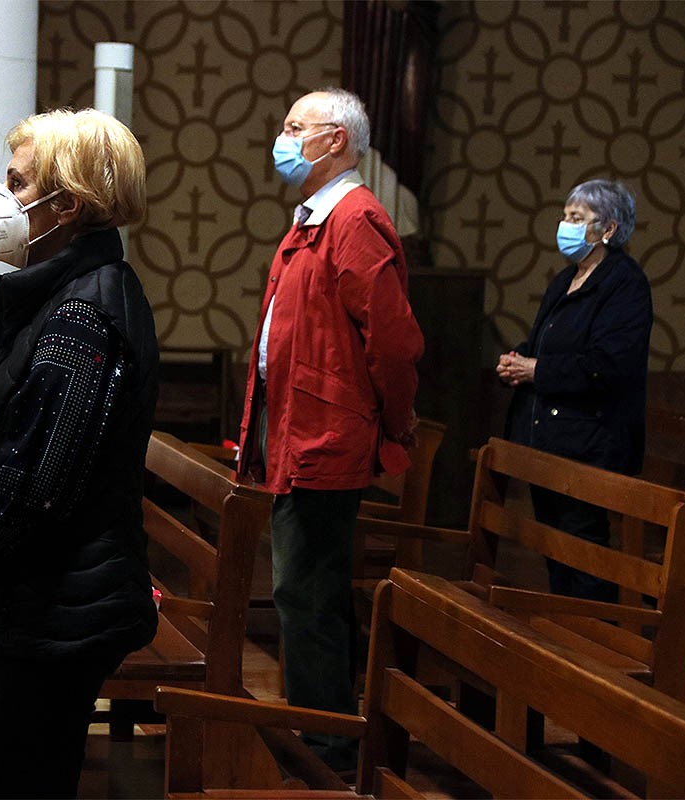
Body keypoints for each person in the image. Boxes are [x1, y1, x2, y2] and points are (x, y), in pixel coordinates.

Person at [0, 108, 158, 799]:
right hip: (50, 598)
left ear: (67, 204)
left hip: (56, 607)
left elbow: (32, 487)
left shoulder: (81, 315)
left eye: (16, 184)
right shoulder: (67, 295)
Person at [236, 87, 423, 771]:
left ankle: (327, 751)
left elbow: (395, 343)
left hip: (323, 435)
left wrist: (394, 425)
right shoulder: (315, 217)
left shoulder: (354, 219)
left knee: (306, 592)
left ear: (335, 139)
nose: (283, 139)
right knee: (306, 589)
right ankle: (321, 730)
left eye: (295, 127)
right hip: (297, 427)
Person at [498, 179, 652, 602]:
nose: (564, 225)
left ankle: (592, 647)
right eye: (565, 216)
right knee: (555, 548)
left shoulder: (624, 284)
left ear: (607, 230)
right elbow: (548, 345)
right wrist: (519, 360)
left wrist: (537, 369)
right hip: (547, 440)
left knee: (583, 552)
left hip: (589, 443)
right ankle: (564, 645)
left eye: (576, 218)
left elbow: (608, 365)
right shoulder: (567, 279)